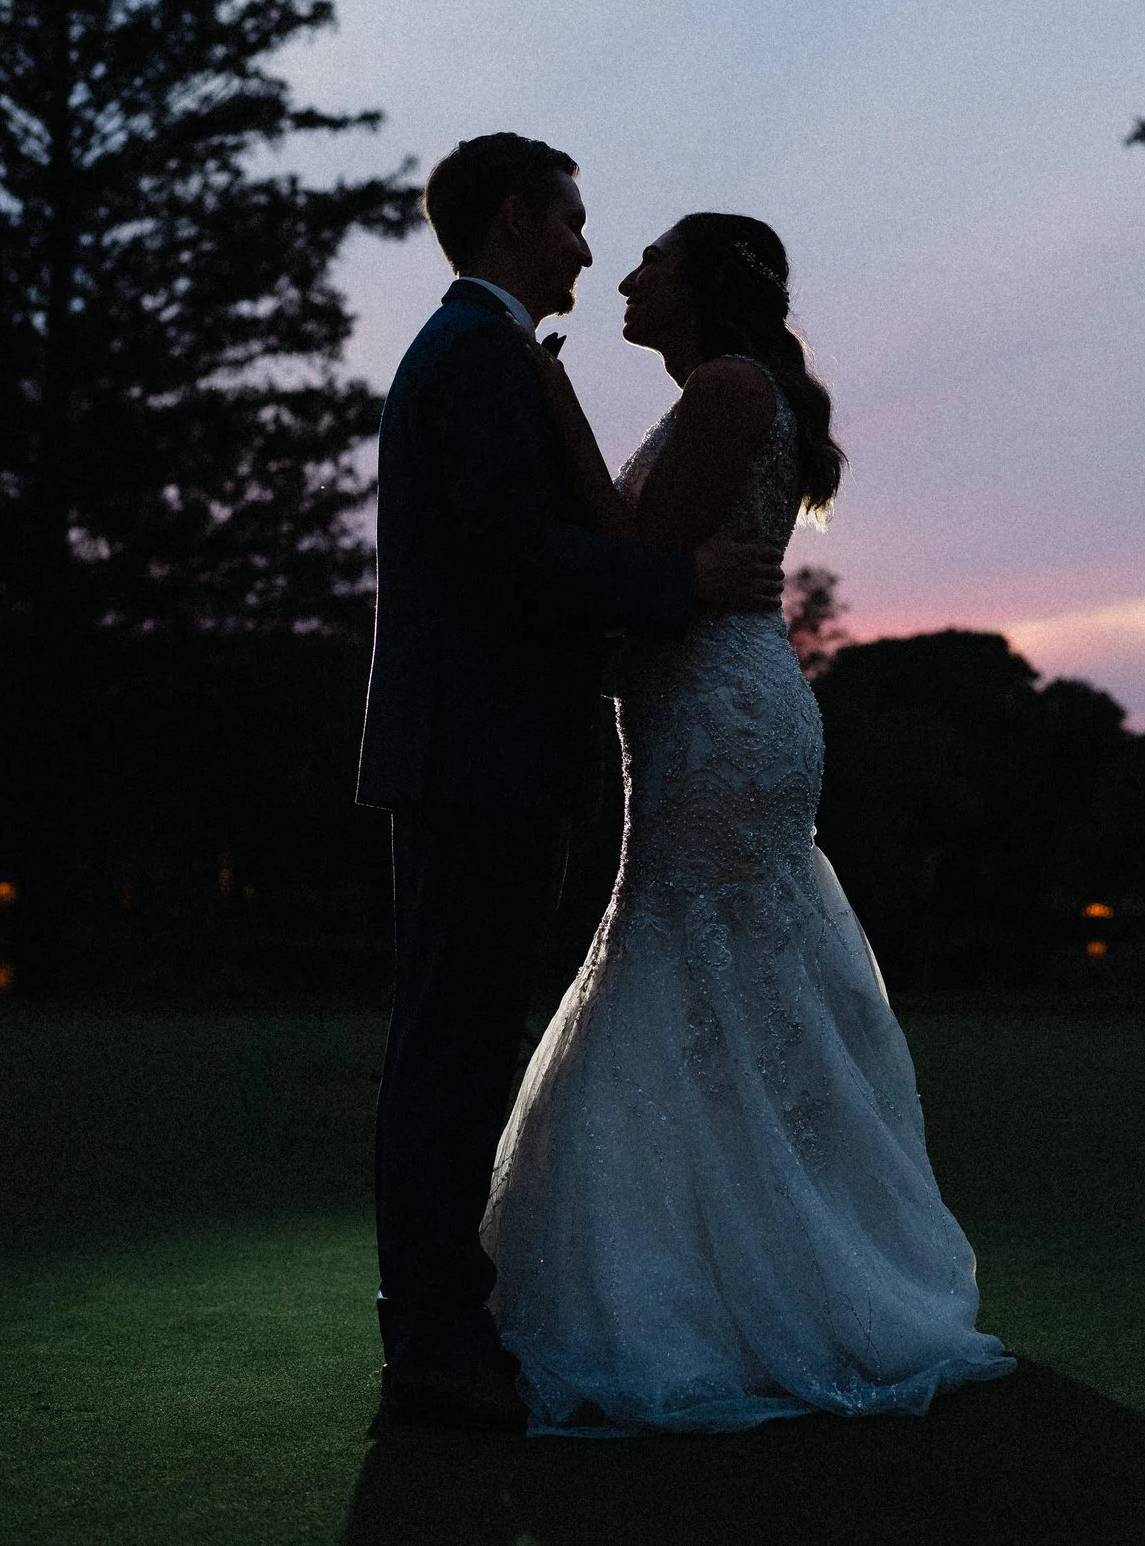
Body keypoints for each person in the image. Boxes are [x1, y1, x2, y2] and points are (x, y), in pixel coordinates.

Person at [481, 212, 1014, 1434]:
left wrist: (553, 395)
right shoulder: (721, 387)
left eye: (652, 260)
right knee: (706, 973)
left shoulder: (727, 386)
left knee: (700, 966)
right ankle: (726, 1269)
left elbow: (637, 556)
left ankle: (756, 1282)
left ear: (706, 285)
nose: (622, 273)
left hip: (724, 719)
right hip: (690, 715)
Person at [355, 136, 784, 1432]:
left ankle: (446, 1314)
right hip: (474, 752)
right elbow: (512, 548)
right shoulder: (478, 354)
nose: (589, 253)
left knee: (464, 1030)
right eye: (572, 223)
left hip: (483, 748)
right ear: (510, 220)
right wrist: (679, 585)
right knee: (455, 1039)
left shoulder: (482, 352)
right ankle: (433, 1334)